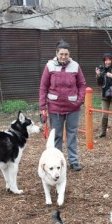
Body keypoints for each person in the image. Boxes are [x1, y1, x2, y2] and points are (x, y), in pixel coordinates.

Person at [39, 40, 87, 171]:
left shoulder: (75, 66)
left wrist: (80, 100)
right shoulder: (49, 66)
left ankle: (73, 161)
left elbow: (82, 85)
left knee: (72, 134)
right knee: (57, 136)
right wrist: (42, 107)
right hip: (55, 107)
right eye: (61, 54)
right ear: (56, 53)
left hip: (73, 107)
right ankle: (57, 162)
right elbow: (43, 87)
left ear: (69, 54)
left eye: (66, 54)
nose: (63, 57)